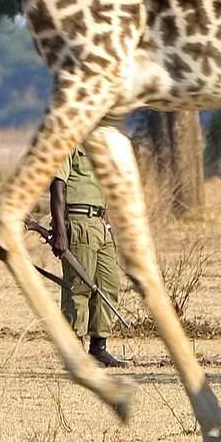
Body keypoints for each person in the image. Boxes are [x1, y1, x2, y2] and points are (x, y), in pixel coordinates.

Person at [49, 142, 127, 368]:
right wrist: (61, 231)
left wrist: (108, 227)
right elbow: (57, 185)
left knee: (108, 284)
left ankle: (98, 347)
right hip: (78, 221)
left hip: (100, 223)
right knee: (79, 286)